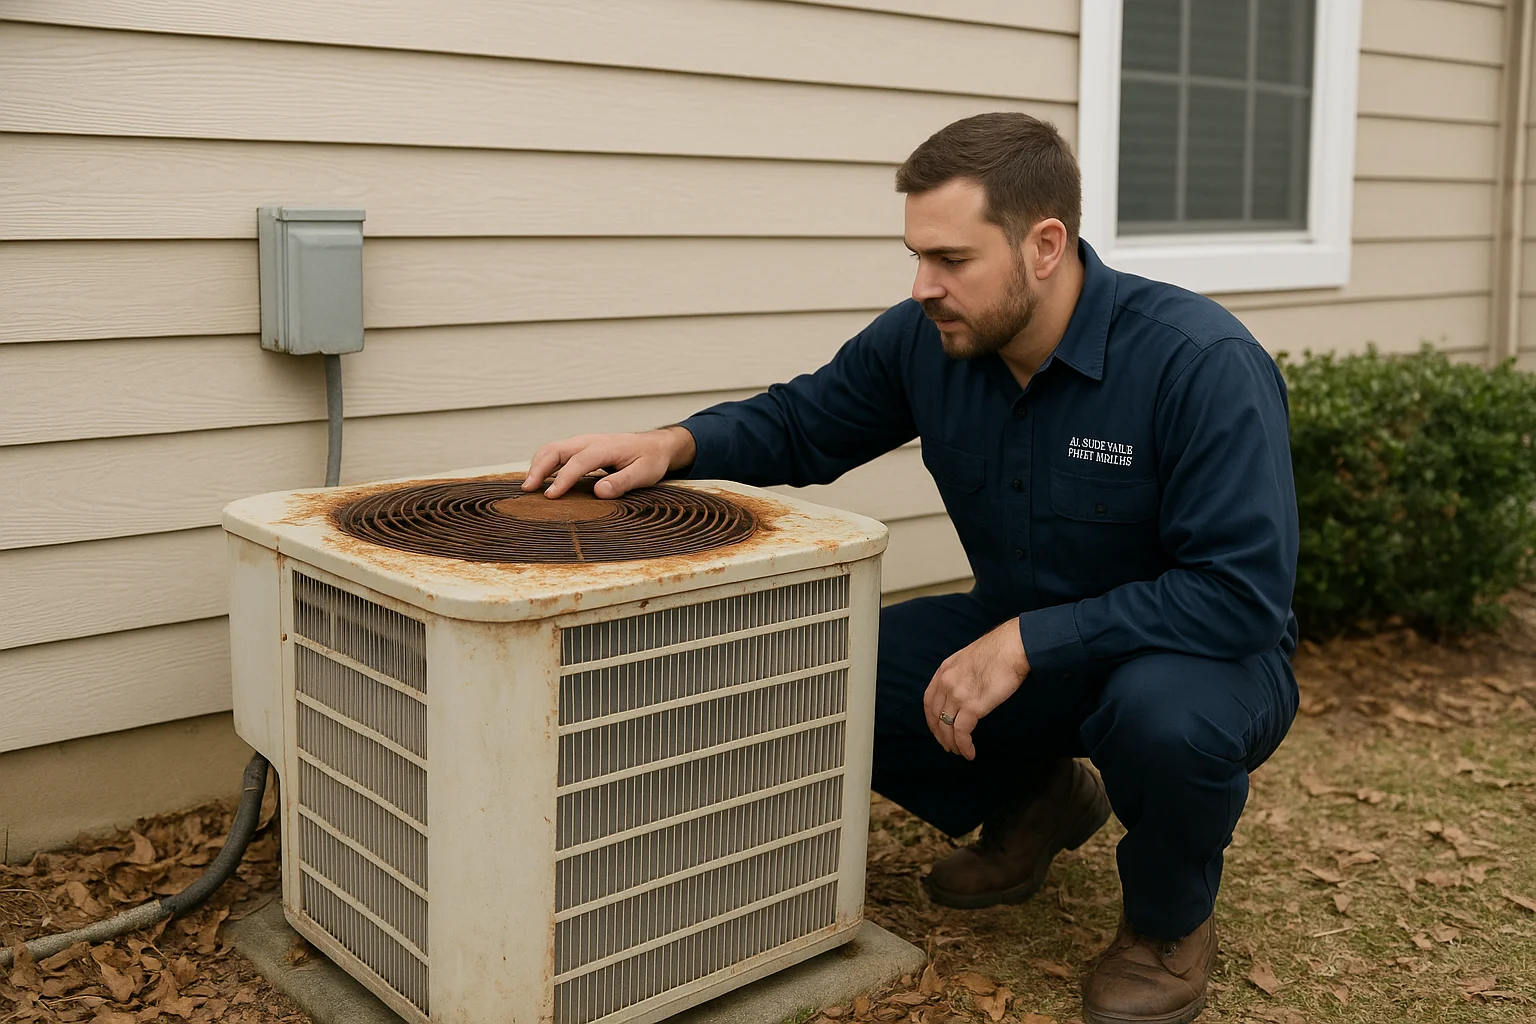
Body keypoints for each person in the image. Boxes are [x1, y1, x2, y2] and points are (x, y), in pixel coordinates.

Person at [523, 112, 1299, 1024]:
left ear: (1044, 244)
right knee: (828, 661)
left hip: (1203, 658)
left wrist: (1030, 638)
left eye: (952, 259)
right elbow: (804, 420)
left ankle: (1168, 925)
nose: (925, 286)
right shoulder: (927, 340)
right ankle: (1037, 798)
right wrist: (671, 441)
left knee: (1162, 719)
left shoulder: (1198, 363)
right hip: (1028, 639)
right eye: (915, 257)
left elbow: (1239, 594)